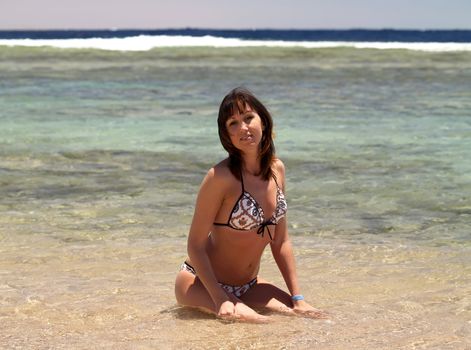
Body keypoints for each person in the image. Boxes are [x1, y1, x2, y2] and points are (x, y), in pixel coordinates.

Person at [174, 87, 326, 322]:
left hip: (249, 285)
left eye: (248, 118)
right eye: (233, 123)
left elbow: (281, 241)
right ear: (227, 135)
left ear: (263, 121)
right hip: (202, 284)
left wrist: (298, 298)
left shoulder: (277, 170)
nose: (243, 127)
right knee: (261, 324)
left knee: (312, 316)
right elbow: (195, 245)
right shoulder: (220, 177)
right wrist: (220, 298)